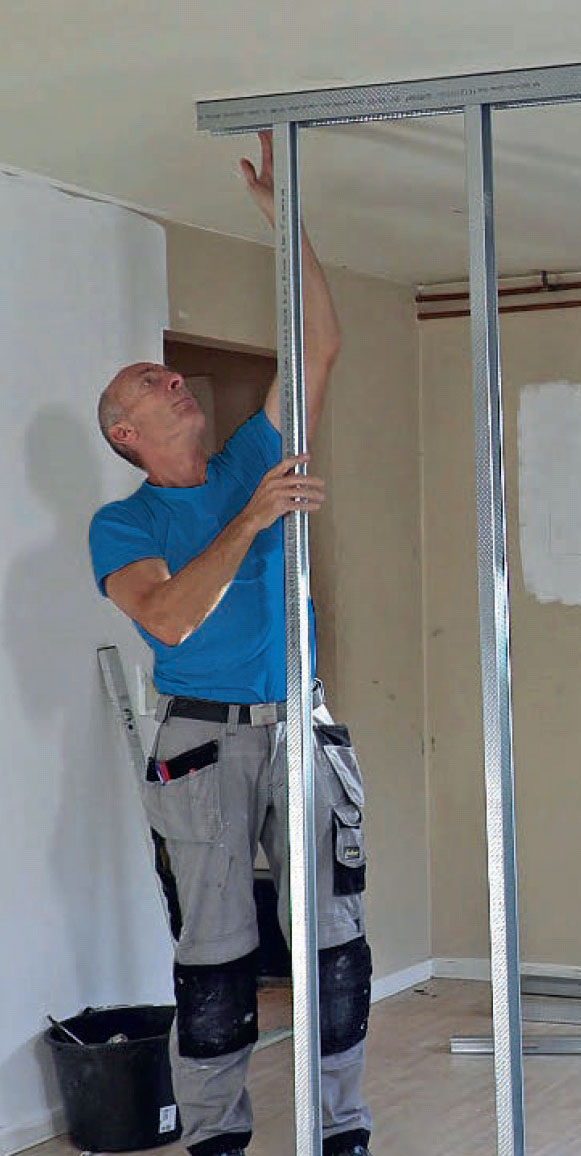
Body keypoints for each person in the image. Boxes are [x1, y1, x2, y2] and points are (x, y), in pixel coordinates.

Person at [88, 131, 372, 1156]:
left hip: (300, 726)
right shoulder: (125, 524)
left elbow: (319, 344)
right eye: (150, 384)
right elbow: (167, 618)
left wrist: (282, 217)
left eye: (171, 376)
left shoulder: (254, 450)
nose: (174, 382)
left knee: (334, 953)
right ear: (125, 433)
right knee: (216, 963)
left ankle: (340, 1132)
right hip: (202, 746)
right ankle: (217, 1140)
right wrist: (252, 520)